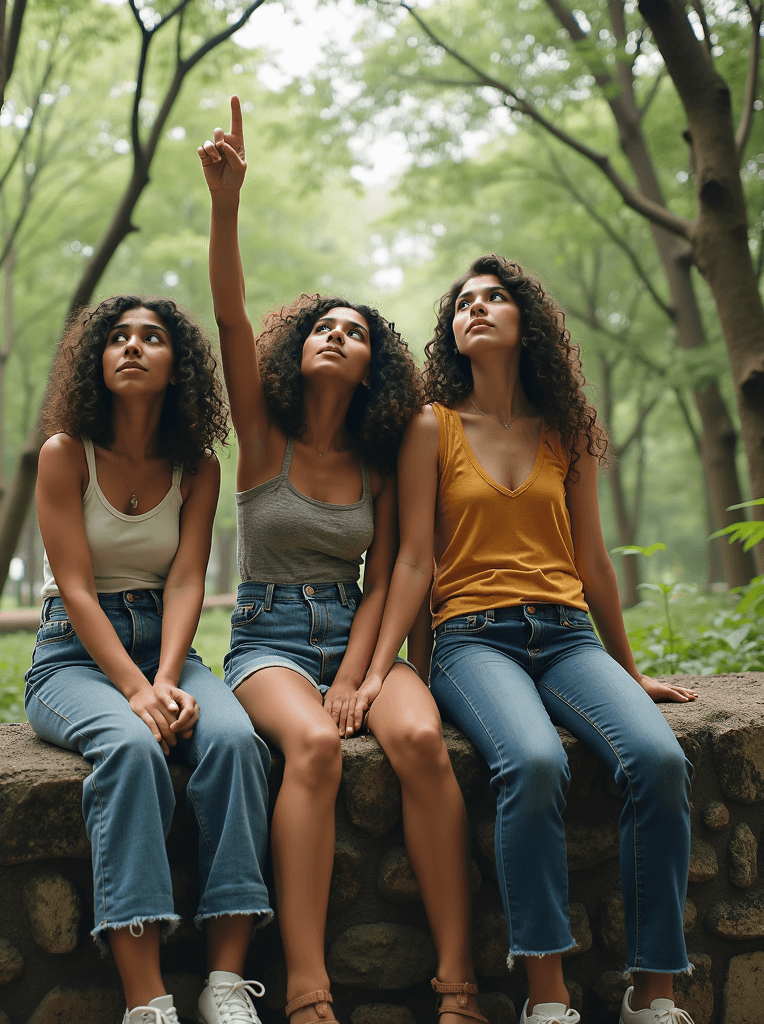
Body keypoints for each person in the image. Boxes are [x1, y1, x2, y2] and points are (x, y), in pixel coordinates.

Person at [197, 97, 487, 1024]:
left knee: (414, 741)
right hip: (267, 643)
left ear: (373, 365)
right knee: (316, 746)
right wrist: (227, 204)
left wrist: (364, 674)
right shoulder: (262, 434)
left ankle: (457, 981)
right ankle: (308, 985)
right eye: (325, 324)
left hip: (357, 634)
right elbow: (232, 316)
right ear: (302, 345)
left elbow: (402, 569)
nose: (337, 333)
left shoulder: (376, 457)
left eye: (357, 331)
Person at [361, 255, 698, 1024]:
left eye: (494, 297)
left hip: (568, 635)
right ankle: (547, 997)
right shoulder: (430, 426)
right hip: (473, 640)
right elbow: (414, 559)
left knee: (658, 761)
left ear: (527, 322)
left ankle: (653, 994)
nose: (475, 308)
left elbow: (593, 562)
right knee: (536, 762)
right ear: (452, 331)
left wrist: (629, 669)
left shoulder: (568, 431)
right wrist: (404, 671)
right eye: (463, 303)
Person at [25, 295, 273, 1024]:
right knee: (132, 750)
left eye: (152, 338)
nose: (132, 347)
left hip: (166, 645)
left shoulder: (197, 466)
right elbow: (73, 585)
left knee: (233, 741)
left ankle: (225, 984)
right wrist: (136, 691)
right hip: (71, 656)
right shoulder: (65, 453)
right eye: (119, 337)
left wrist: (167, 679)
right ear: (98, 361)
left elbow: (189, 578)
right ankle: (147, 998)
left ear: (177, 367)